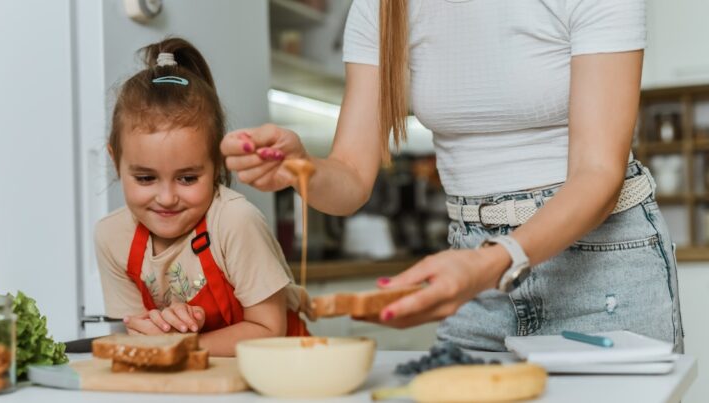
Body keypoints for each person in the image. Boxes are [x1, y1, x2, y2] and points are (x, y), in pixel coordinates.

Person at [221, 0, 683, 352]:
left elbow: (597, 173)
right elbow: (351, 177)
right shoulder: (384, 8)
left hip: (603, 268)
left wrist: (491, 262)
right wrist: (302, 168)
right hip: (475, 266)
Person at [94, 37, 310, 357]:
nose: (166, 198)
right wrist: (162, 330)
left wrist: (180, 344)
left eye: (187, 178)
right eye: (145, 178)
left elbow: (269, 330)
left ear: (217, 163)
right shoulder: (112, 237)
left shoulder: (235, 222)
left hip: (281, 370)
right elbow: (140, 333)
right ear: (116, 160)